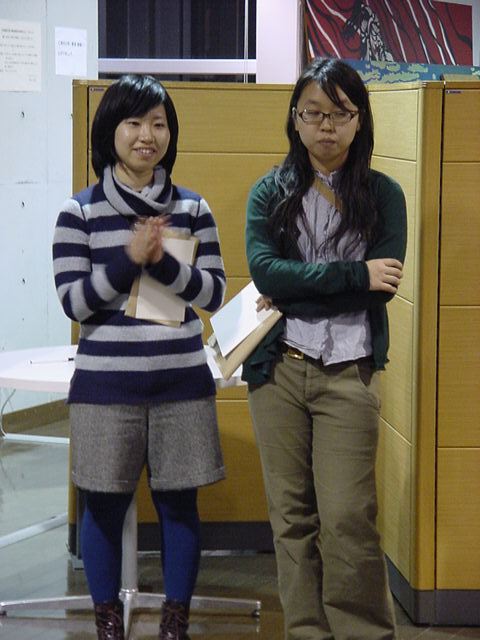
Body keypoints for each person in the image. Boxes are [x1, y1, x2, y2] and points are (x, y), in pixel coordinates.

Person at [53, 74, 226, 640]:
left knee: (179, 505)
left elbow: (214, 294)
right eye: (133, 122)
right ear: (111, 130)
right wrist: (129, 259)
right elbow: (74, 302)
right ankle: (107, 619)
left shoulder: (192, 207)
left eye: (158, 123)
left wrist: (164, 264)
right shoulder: (78, 213)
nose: (147, 135)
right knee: (102, 506)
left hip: (181, 382)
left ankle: (176, 618)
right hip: (106, 387)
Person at [244, 58, 407, 640]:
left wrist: (301, 285)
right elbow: (266, 274)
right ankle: (307, 632)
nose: (326, 127)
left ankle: (364, 632)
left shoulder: (383, 195)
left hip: (348, 372)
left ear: (359, 119)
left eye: (339, 113)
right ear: (295, 119)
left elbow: (384, 283)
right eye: (313, 113)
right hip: (279, 372)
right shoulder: (270, 191)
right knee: (291, 519)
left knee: (346, 517)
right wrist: (353, 275)